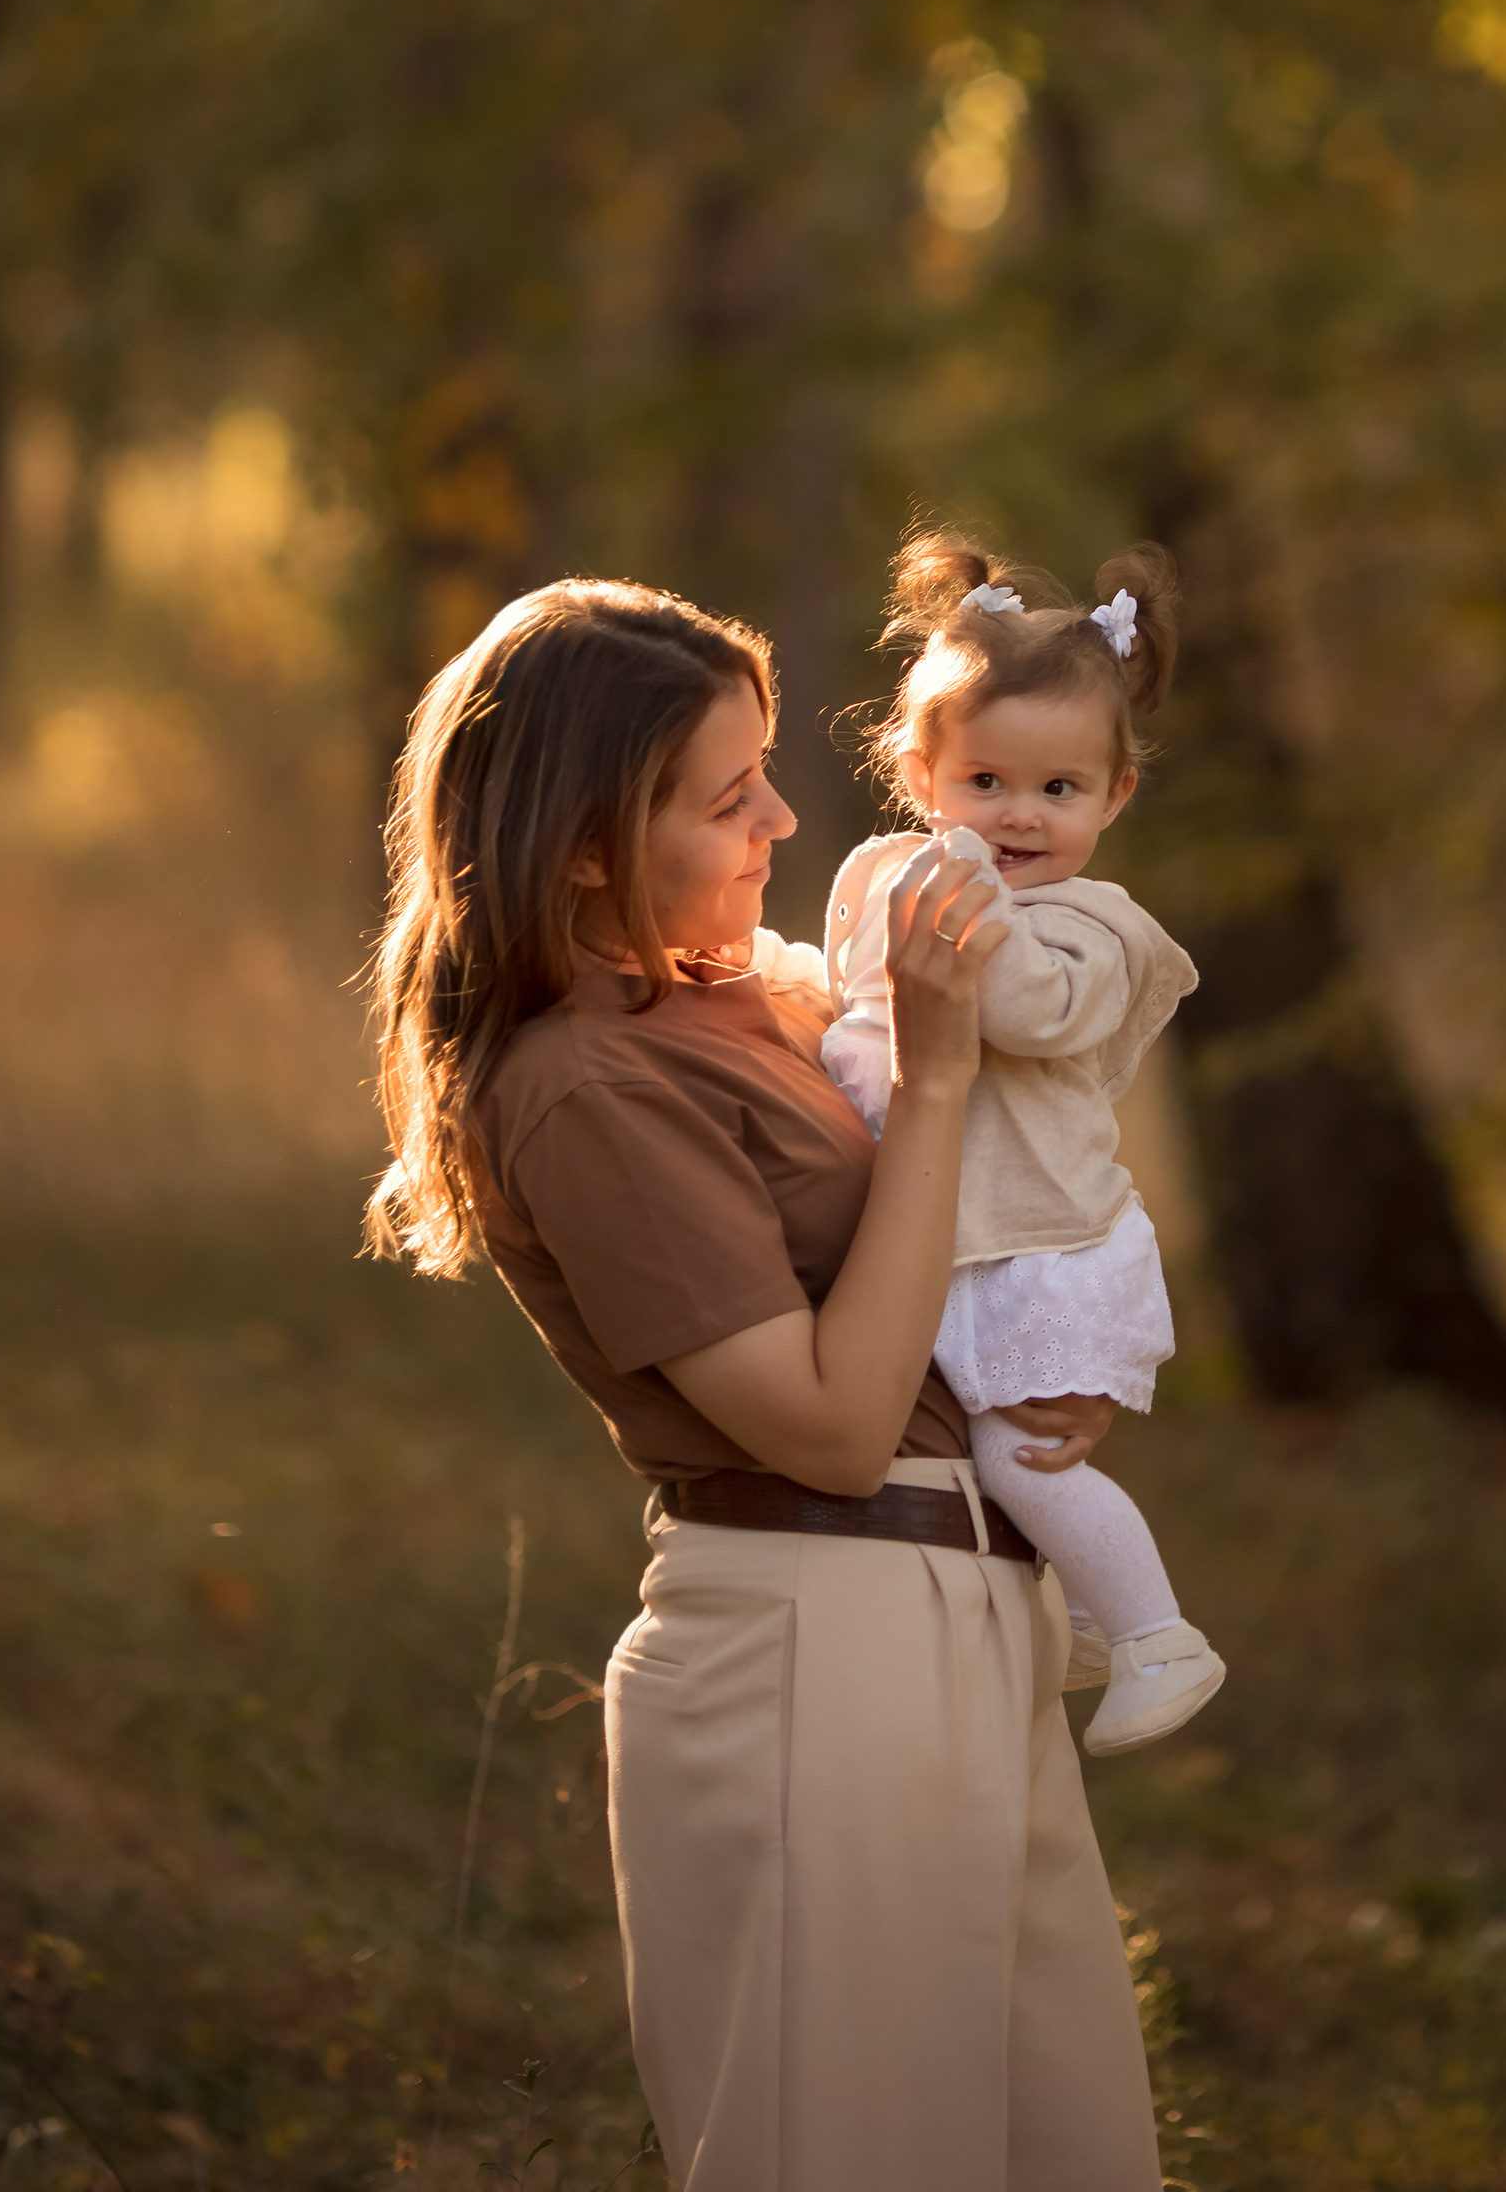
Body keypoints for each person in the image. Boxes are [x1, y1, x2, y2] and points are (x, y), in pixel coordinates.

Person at [363, 577, 1162, 2192]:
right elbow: (836, 1426)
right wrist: (936, 1078)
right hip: (821, 1634)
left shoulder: (745, 1001)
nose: (783, 822)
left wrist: (1050, 1355)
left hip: (970, 1621)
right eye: (730, 799)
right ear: (588, 845)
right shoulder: (586, 1082)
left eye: (769, 775)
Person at [820, 534, 1224, 1756]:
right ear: (920, 772)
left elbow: (1028, 1013)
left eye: (1058, 790)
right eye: (985, 780)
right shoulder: (891, 877)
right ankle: (1086, 1620)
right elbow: (849, 1000)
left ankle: (1157, 1635)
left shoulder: (1094, 928)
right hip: (947, 1233)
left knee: (1022, 1459)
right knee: (953, 1451)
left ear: (1114, 797)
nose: (1016, 816)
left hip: (1046, 1251)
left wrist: (963, 885)